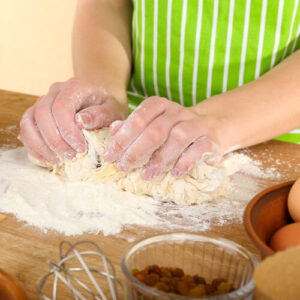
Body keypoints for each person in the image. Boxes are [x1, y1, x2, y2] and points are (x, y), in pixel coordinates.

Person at [20, 0, 300, 180]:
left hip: (277, 140)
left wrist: (218, 123)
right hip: (132, 125)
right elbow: (107, 5)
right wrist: (105, 92)